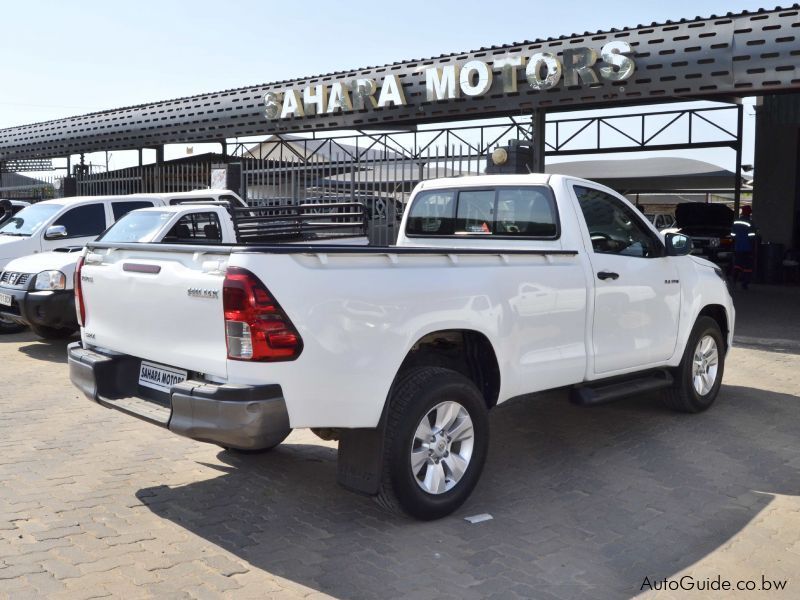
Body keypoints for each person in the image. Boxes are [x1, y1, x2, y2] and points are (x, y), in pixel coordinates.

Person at [731, 205, 756, 290]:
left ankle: (733, 279)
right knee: (747, 267)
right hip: (747, 248)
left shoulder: (736, 222)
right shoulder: (750, 223)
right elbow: (752, 237)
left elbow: (733, 235)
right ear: (749, 213)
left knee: (737, 264)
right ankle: (744, 284)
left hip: (738, 247)